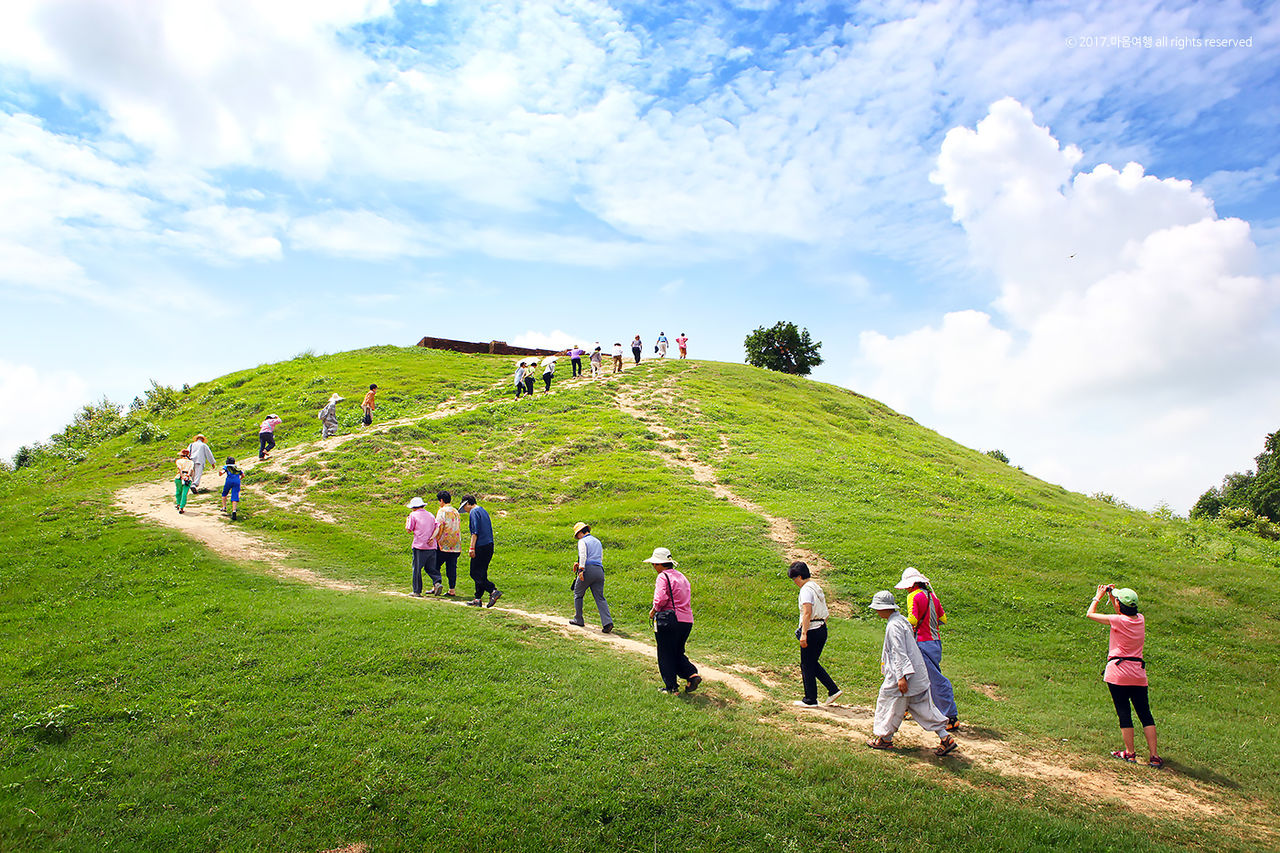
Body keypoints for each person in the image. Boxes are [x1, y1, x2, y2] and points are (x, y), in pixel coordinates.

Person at [866, 591, 958, 756]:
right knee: (923, 707)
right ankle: (945, 738)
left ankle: (884, 739)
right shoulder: (901, 621)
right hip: (917, 675)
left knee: (888, 703)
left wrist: (901, 677)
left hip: (904, 677)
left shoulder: (894, 626)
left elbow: (899, 652)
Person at [1087, 585, 1162, 767]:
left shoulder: (1117, 621)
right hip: (1138, 673)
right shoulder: (1140, 620)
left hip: (1118, 673)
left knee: (1124, 713)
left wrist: (1098, 597)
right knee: (1145, 714)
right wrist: (1115, 597)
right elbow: (1121, 613)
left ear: (1121, 606)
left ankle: (1130, 753)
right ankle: (1154, 756)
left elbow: (1090, 614)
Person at [896, 567, 959, 730]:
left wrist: (899, 623)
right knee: (916, 675)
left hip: (922, 642)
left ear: (912, 584)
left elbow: (913, 620)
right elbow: (943, 619)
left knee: (934, 679)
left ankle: (950, 716)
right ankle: (908, 708)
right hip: (935, 642)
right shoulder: (933, 597)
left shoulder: (913, 596)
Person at [645, 547, 701, 694]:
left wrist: (653, 610)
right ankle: (692, 675)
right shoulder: (681, 576)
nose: (653, 567)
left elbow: (661, 599)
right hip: (686, 620)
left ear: (659, 564)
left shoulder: (663, 577)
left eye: (653, 564)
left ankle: (671, 687)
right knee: (677, 651)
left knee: (665, 653)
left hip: (669, 619)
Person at [789, 562, 841, 707]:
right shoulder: (816, 587)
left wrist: (803, 634)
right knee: (811, 663)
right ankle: (833, 690)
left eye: (795, 579)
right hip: (821, 628)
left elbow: (807, 612)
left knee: (806, 664)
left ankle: (810, 698)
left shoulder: (806, 590)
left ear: (800, 576)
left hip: (811, 628)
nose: (795, 583)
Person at [569, 522, 613, 633]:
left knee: (578, 594)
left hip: (587, 570)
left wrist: (581, 570)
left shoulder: (582, 541)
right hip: (599, 571)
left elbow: (583, 555)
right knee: (600, 597)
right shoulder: (597, 541)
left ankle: (578, 618)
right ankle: (607, 622)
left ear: (580, 533)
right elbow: (599, 557)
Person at [459, 495, 501, 607]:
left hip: (480, 545)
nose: (466, 511)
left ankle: (492, 590)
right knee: (482, 572)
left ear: (468, 504)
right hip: (489, 545)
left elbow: (475, 532)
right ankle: (477, 598)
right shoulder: (483, 510)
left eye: (465, 507)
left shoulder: (473, 512)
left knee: (474, 573)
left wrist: (472, 547)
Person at [404, 497, 439, 597]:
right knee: (431, 567)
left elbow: (408, 529)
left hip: (420, 545)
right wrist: (432, 538)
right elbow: (437, 527)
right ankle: (437, 581)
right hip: (432, 546)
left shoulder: (413, 515)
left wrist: (407, 521)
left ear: (413, 507)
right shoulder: (430, 515)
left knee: (417, 569)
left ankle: (417, 590)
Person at [433, 491, 462, 596]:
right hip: (456, 544)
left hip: (444, 543)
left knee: (435, 565)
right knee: (452, 567)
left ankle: (436, 584)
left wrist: (436, 538)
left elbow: (439, 526)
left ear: (441, 500)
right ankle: (452, 590)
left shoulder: (442, 511)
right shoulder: (456, 511)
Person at [174, 449, 194, 514]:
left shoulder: (178, 461)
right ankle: (181, 507)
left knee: (178, 491)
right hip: (187, 477)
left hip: (179, 477)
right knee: (184, 493)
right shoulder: (191, 462)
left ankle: (178, 503)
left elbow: (179, 468)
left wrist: (181, 475)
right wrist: (187, 475)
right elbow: (191, 470)